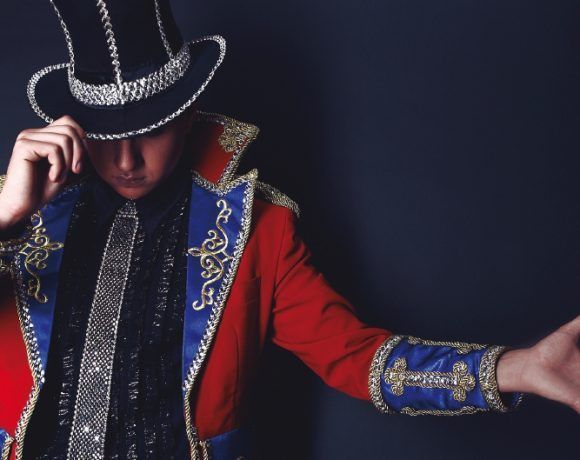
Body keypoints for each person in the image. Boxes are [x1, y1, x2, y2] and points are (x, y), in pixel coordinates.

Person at [0, 1, 577, 459]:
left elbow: (355, 358)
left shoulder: (258, 228)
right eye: (106, 133)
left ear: (189, 111)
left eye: (150, 128)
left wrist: (517, 368)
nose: (126, 159)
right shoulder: (19, 212)